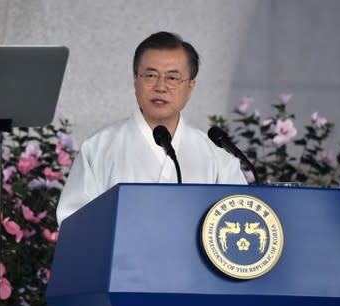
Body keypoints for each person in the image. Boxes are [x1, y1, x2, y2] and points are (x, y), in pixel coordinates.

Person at [56, 31, 247, 226]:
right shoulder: (98, 148)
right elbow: (74, 225)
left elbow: (239, 222)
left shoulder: (217, 156)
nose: (160, 87)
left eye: (172, 78)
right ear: (135, 80)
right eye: (150, 75)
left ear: (190, 87)